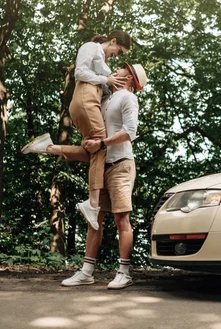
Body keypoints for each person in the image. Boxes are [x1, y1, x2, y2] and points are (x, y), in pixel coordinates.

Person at [26, 62, 147, 290]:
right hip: (102, 164)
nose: (118, 69)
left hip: (121, 165)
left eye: (123, 68)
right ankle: (87, 272)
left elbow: (130, 132)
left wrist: (101, 142)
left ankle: (124, 272)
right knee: (95, 220)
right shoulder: (106, 98)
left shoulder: (128, 98)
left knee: (122, 220)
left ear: (130, 78)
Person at [22, 31, 130, 231]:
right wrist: (107, 80)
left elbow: (105, 85)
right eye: (119, 51)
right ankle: (92, 203)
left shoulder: (102, 60)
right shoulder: (91, 47)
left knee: (93, 151)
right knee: (100, 145)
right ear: (113, 41)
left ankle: (48, 147)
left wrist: (111, 84)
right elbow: (79, 73)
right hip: (85, 99)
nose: (118, 56)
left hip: (89, 101)